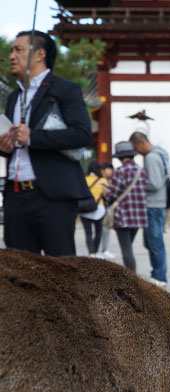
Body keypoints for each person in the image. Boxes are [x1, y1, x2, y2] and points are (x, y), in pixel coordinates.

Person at [0, 30, 92, 256]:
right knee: (19, 273)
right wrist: (4, 146)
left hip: (51, 195)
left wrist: (33, 137)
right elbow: (16, 145)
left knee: (60, 271)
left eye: (18, 50)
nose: (11, 56)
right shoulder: (14, 97)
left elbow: (82, 134)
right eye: (11, 50)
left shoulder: (64, 89)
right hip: (15, 194)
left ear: (40, 54)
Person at [129, 131, 170, 285]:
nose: (136, 152)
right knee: (154, 241)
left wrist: (137, 185)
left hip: (153, 204)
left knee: (155, 241)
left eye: (135, 148)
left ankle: (159, 276)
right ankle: (158, 273)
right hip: (159, 203)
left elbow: (154, 183)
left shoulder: (152, 157)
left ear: (141, 142)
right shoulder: (161, 154)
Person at [106, 141, 147, 274]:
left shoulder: (119, 171)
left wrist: (107, 191)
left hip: (123, 215)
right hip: (138, 216)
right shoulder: (142, 171)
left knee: (126, 250)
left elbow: (113, 194)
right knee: (129, 247)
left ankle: (131, 278)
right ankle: (132, 276)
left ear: (120, 157)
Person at [79, 161, 108, 257]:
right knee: (98, 231)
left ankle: (91, 253)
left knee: (88, 232)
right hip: (99, 209)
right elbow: (106, 195)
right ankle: (95, 251)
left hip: (84, 208)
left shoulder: (83, 179)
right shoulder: (102, 181)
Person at [98, 162, 115, 259]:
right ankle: (100, 250)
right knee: (101, 230)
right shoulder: (101, 180)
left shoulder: (112, 180)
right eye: (109, 169)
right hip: (100, 207)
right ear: (102, 170)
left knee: (106, 229)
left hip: (107, 208)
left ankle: (104, 249)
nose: (111, 171)